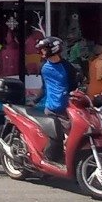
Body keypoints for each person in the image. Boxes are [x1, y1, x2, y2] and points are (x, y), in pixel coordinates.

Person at [36, 35, 75, 163]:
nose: (41, 52)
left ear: (53, 49)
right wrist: (35, 100)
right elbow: (44, 87)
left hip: (66, 110)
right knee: (54, 141)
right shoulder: (43, 67)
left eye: (44, 49)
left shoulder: (68, 67)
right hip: (50, 109)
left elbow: (74, 88)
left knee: (72, 139)